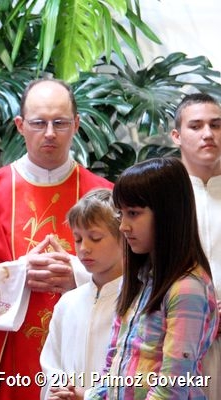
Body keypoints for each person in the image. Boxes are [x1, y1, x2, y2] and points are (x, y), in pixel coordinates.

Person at [0, 78, 114, 399]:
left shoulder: (106, 197)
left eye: (60, 123)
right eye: (38, 123)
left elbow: (136, 276)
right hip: (7, 360)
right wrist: (17, 275)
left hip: (86, 356)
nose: (49, 133)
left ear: (76, 124)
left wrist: (77, 273)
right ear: (20, 125)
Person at [86, 157, 219, 399]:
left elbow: (172, 387)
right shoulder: (137, 279)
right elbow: (113, 364)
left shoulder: (187, 288)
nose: (123, 226)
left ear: (168, 214)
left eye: (133, 213)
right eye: (121, 214)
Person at [40, 189, 123, 400]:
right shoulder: (68, 302)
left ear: (123, 237)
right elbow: (51, 363)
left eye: (95, 238)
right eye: (78, 239)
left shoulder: (138, 300)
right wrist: (61, 389)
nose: (84, 248)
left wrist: (88, 396)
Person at [171, 92, 221, 399]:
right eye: (196, 125)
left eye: (216, 125)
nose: (208, 134)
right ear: (176, 135)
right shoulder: (161, 196)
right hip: (177, 336)